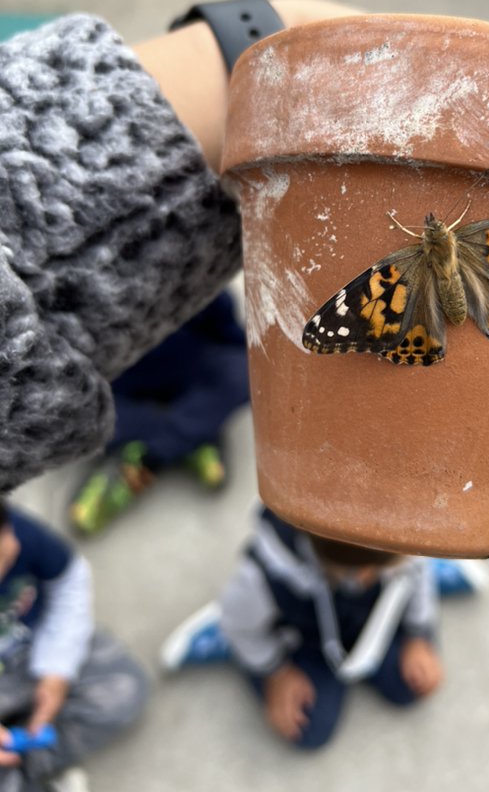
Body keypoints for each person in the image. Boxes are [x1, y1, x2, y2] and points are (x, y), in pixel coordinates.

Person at [0, 0, 362, 495]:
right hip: (118, 374)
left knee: (238, 379)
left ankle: (148, 457)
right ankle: (178, 445)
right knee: (189, 399)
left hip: (157, 353)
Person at [160, 505, 443, 749]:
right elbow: (241, 625)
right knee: (310, 728)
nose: (367, 579)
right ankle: (223, 630)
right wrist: (275, 672)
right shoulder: (265, 576)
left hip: (375, 617)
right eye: (357, 571)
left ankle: (440, 560)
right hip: (304, 638)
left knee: (410, 687)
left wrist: (418, 634)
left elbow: (415, 570)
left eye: (382, 566)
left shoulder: (403, 530)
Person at [68, 289, 249, 535]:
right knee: (69, 415)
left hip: (187, 367)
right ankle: (193, 436)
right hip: (117, 386)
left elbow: (233, 339)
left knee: (247, 372)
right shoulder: (80, 296)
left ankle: (144, 459)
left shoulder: (190, 282)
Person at [0, 501, 149, 791]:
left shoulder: (12, 535)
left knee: (124, 688)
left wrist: (57, 669)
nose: (14, 548)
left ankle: (28, 766)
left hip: (33, 649)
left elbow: (68, 581)